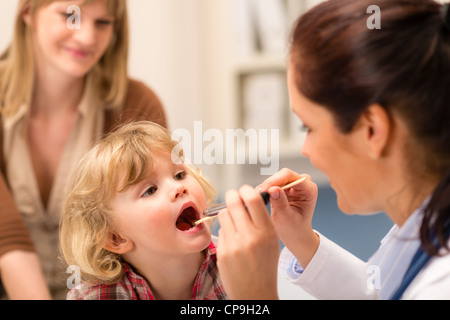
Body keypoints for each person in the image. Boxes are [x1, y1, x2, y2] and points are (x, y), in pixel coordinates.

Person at [216, 0, 450, 300]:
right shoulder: (426, 223)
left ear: (372, 130)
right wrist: (302, 242)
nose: (306, 150)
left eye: (308, 127)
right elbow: (377, 293)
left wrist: (254, 297)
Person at [0, 0, 167, 299]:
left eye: (103, 23)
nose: (87, 36)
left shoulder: (137, 104)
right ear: (28, 13)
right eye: (70, 16)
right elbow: (6, 237)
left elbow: (152, 232)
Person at [60, 121, 226, 300]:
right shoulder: (96, 297)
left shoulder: (240, 263)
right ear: (116, 238)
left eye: (179, 175)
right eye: (150, 190)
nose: (179, 188)